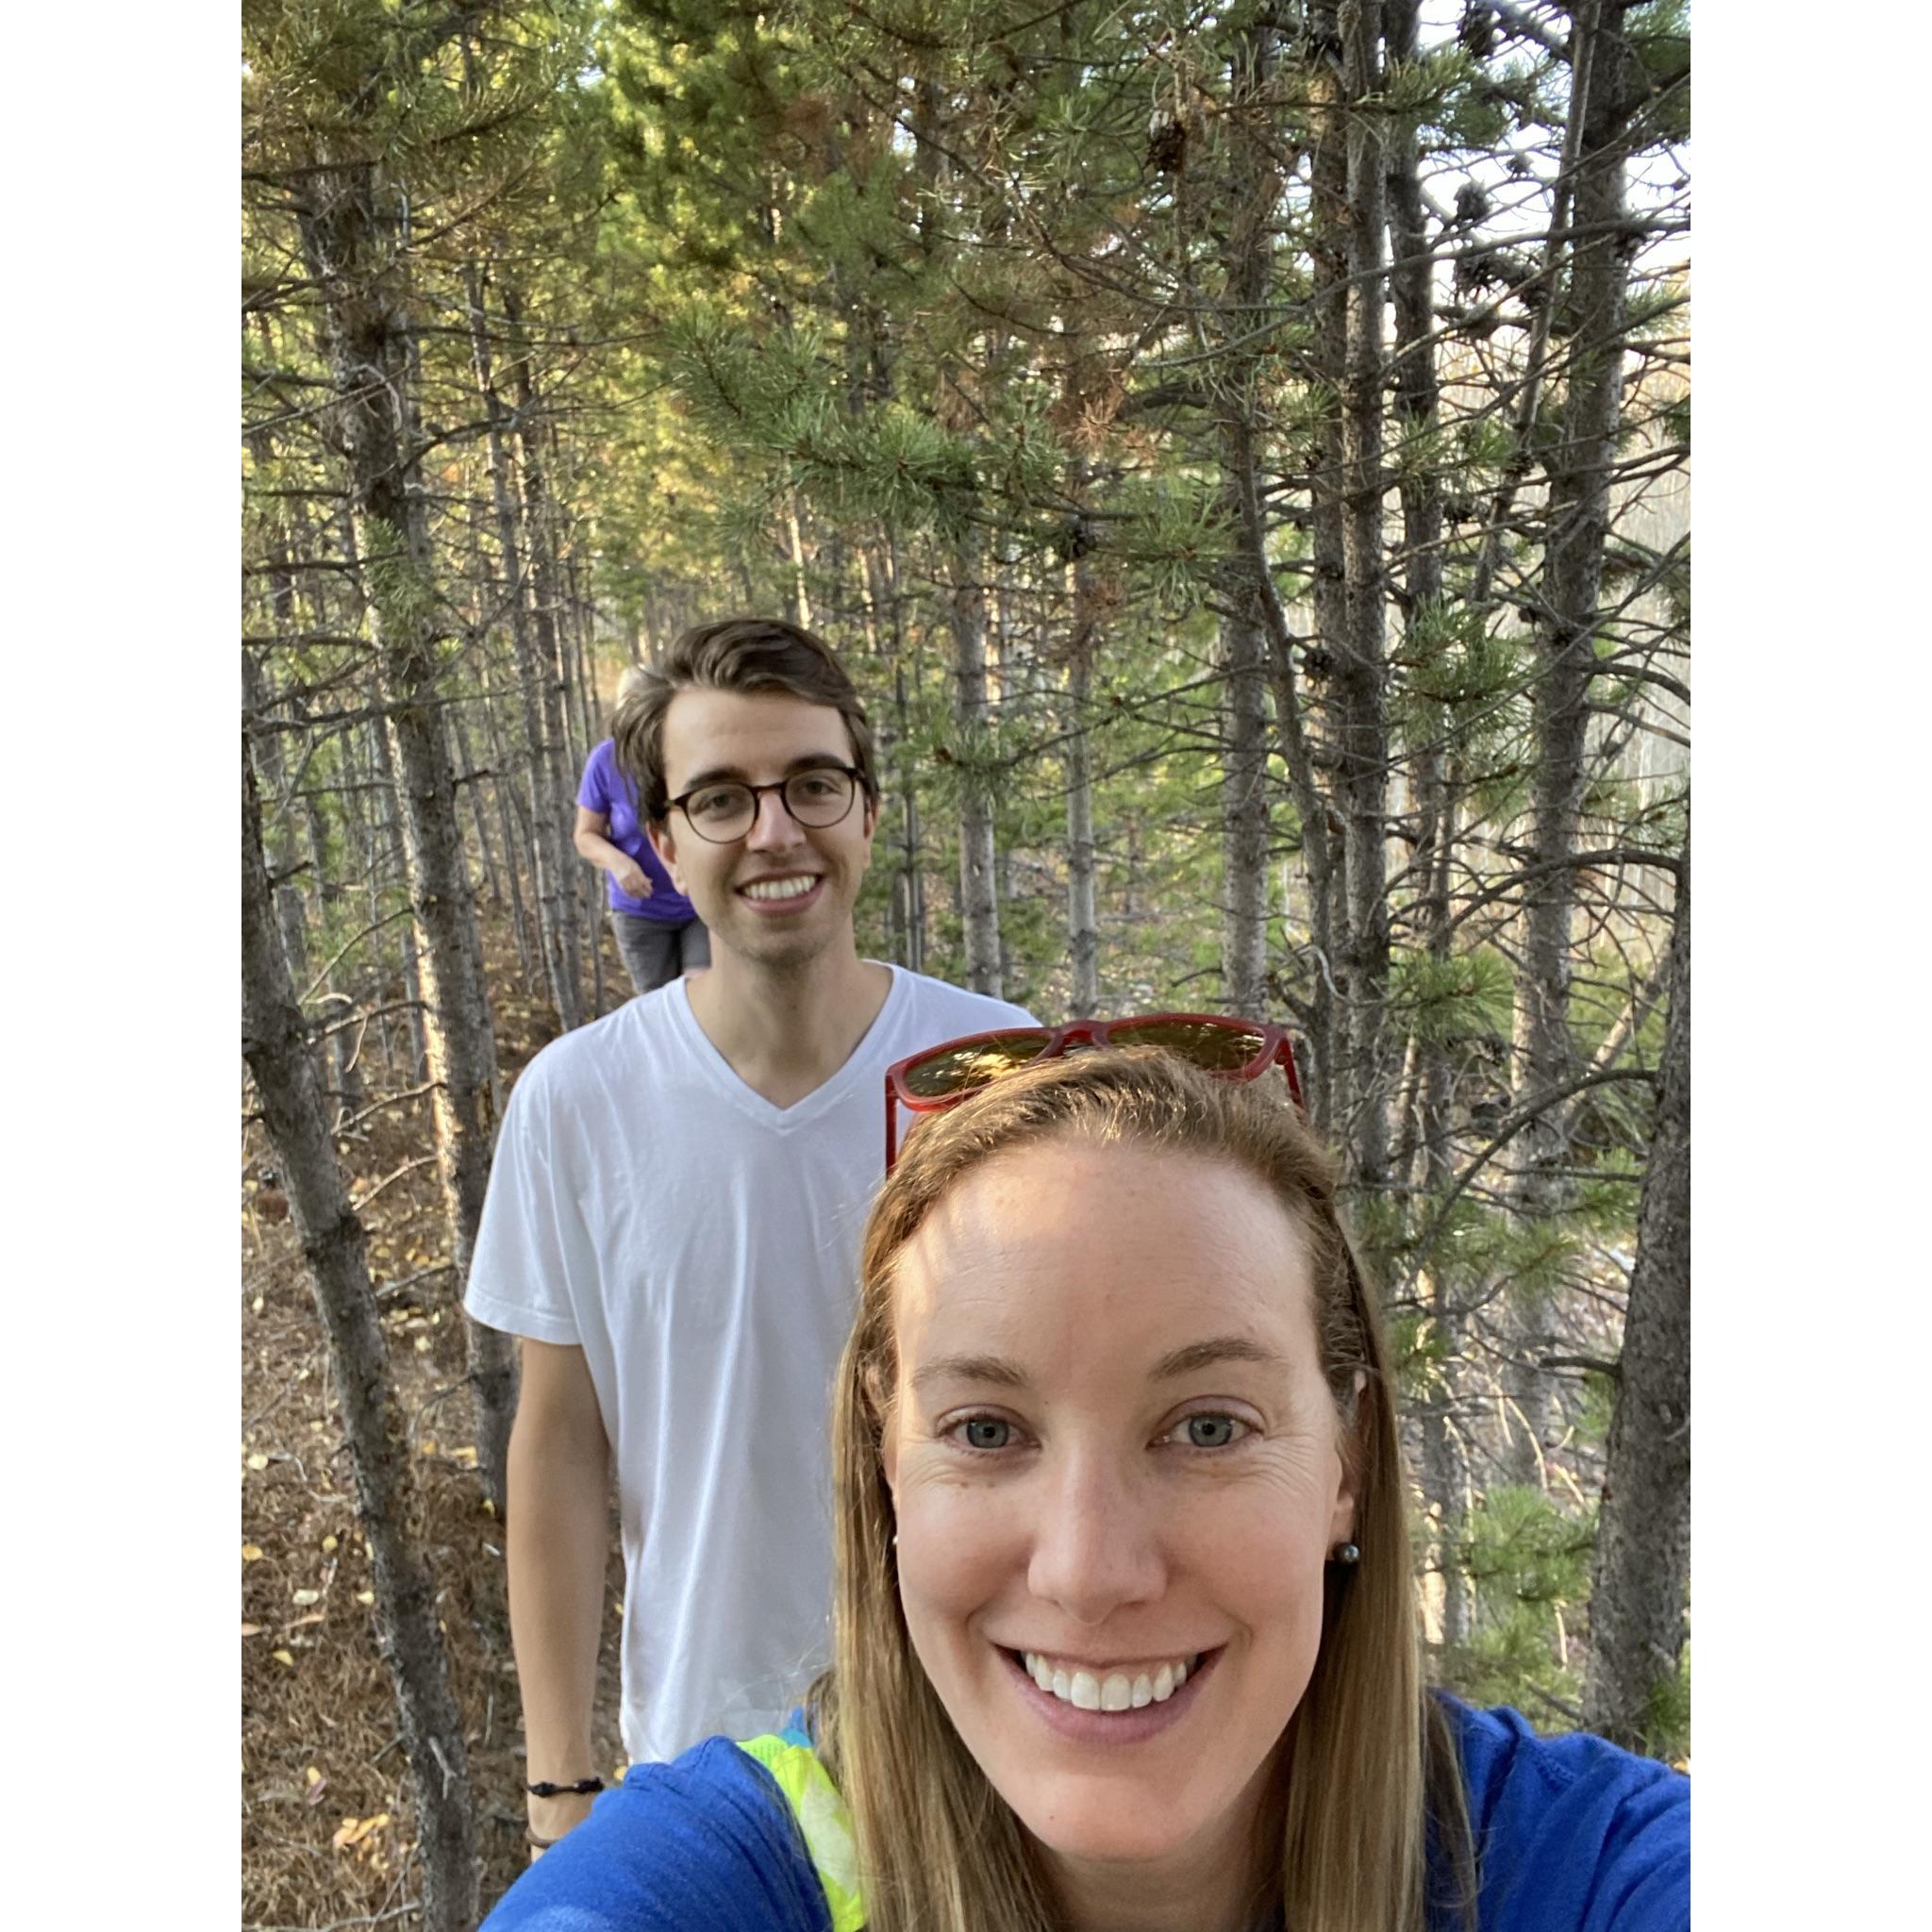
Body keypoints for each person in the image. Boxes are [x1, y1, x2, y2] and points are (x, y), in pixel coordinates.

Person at [479, 1039, 1690, 1931]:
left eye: (1207, 1425)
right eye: (988, 1427)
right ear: (886, 1459)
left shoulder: (1575, 1870)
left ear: (1345, 1462)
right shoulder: (729, 1876)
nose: (1088, 1568)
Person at [464, 617, 1035, 1857]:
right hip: (711, 1774)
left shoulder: (991, 1071)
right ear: (662, 844)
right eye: (720, 799)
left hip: (988, 1751)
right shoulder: (578, 1102)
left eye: (812, 785)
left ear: (867, 812)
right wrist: (561, 1785)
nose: (775, 831)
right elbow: (558, 1448)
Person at [575, 665, 708, 994]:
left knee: (701, 993)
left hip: (697, 903)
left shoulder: (688, 752)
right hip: (640, 912)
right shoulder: (605, 761)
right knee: (659, 1006)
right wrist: (619, 864)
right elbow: (585, 835)